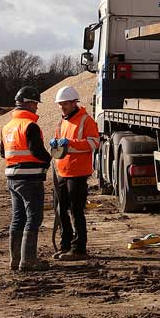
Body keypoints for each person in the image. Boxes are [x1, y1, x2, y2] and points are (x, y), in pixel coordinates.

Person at [0, 86, 52, 272]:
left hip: (12, 177)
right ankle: (28, 260)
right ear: (28, 103)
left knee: (18, 217)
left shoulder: (7, 127)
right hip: (30, 178)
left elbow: (2, 152)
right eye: (35, 103)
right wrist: (49, 158)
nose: (37, 108)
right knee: (33, 217)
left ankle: (16, 260)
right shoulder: (30, 125)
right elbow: (36, 150)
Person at [49, 84, 100, 261]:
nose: (62, 107)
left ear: (74, 102)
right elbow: (59, 140)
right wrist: (55, 143)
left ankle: (79, 248)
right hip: (62, 171)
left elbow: (94, 143)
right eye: (60, 104)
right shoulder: (62, 121)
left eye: (65, 104)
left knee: (76, 211)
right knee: (61, 210)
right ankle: (66, 245)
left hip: (78, 173)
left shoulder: (86, 120)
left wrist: (70, 143)